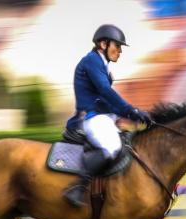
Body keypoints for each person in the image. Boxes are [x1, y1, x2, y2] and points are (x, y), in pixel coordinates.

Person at [64, 24, 152, 208]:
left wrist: (134, 114)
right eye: (117, 46)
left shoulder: (102, 66)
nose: (120, 51)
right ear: (103, 44)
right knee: (112, 147)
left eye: (120, 47)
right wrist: (131, 111)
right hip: (88, 119)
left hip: (102, 117)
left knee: (129, 143)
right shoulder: (91, 61)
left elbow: (107, 101)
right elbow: (105, 91)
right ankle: (78, 188)